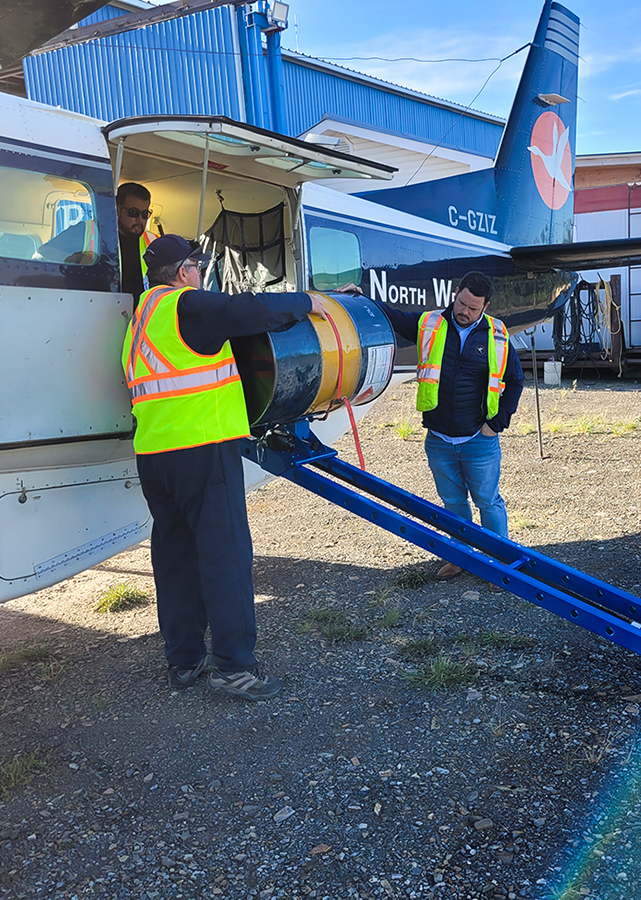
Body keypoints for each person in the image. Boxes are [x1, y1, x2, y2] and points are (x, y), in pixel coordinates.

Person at [122, 234, 329, 699]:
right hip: (202, 450)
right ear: (182, 272)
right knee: (225, 555)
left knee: (175, 557)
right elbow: (253, 312)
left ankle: (185, 660)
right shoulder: (187, 305)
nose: (200, 272)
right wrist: (307, 301)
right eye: (196, 265)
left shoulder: (141, 318)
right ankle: (235, 667)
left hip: (155, 454)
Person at [374, 272, 524, 581]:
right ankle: (459, 556)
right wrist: (361, 298)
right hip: (439, 439)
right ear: (455, 293)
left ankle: (502, 564)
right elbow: (393, 316)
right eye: (462, 302)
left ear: (485, 307)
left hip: (478, 440)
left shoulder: (496, 335)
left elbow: (516, 381)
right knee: (453, 502)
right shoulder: (430, 324)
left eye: (473, 308)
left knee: (487, 501)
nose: (465, 311)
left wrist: (495, 425)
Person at [116, 182, 159, 305]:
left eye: (145, 214)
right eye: (134, 212)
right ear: (118, 210)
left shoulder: (155, 241)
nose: (140, 220)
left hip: (142, 315)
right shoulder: (91, 233)